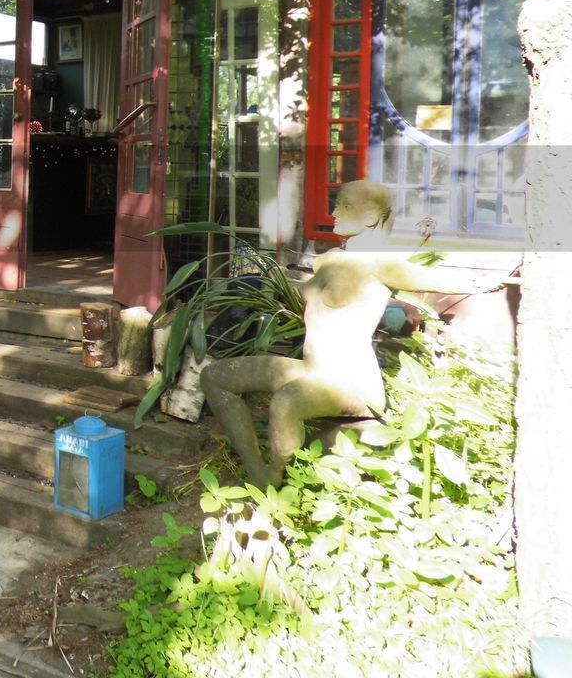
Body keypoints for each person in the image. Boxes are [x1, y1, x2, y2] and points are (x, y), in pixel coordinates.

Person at [199, 180, 497, 487]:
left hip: (350, 381)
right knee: (214, 377)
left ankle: (273, 479)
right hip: (311, 370)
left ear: (371, 215)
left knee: (286, 401)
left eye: (344, 205)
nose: (333, 212)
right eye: (336, 203)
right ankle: (257, 468)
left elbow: (441, 279)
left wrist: (485, 280)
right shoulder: (327, 260)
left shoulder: (382, 265)